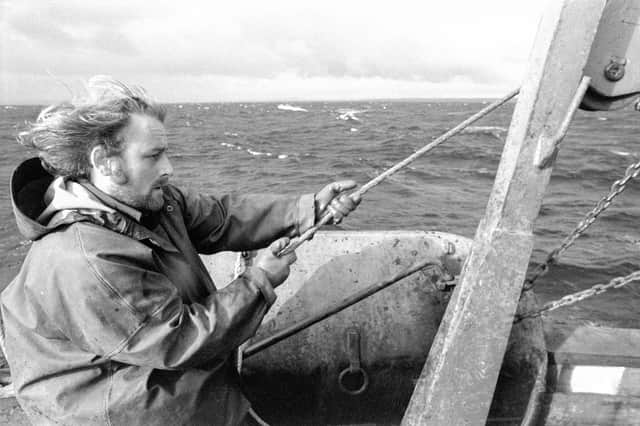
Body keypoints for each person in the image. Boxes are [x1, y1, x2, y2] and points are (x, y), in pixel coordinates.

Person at [0, 76, 360, 425]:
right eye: (153, 156)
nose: (168, 169)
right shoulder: (85, 259)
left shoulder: (151, 201)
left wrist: (307, 209)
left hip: (163, 381)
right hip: (117, 410)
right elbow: (179, 339)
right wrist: (259, 280)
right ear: (105, 162)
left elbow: (220, 218)